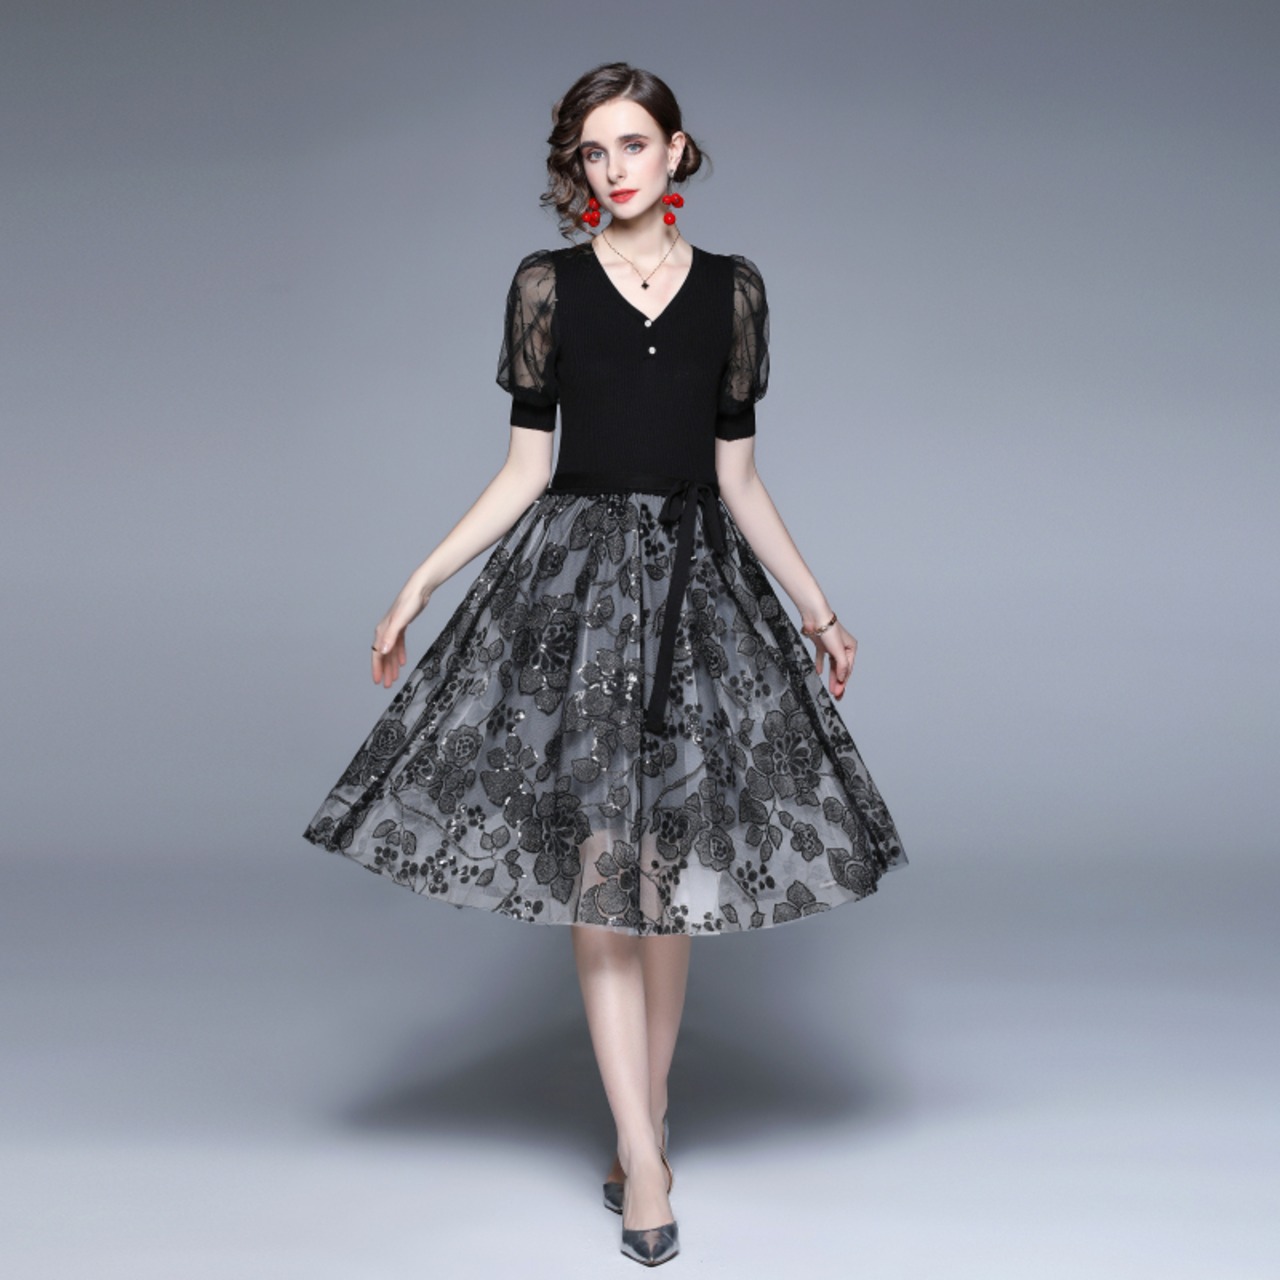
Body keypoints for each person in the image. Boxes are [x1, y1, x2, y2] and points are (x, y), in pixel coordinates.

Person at [302, 61, 907, 1268]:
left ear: (677, 151)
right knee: (600, 869)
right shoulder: (546, 285)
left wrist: (819, 608)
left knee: (663, 874)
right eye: (593, 150)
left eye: (634, 143)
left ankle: (646, 1123)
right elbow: (525, 468)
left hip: (697, 593)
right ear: (576, 166)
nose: (613, 166)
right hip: (575, 597)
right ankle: (642, 1152)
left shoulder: (734, 290)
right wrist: (420, 580)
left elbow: (737, 476)